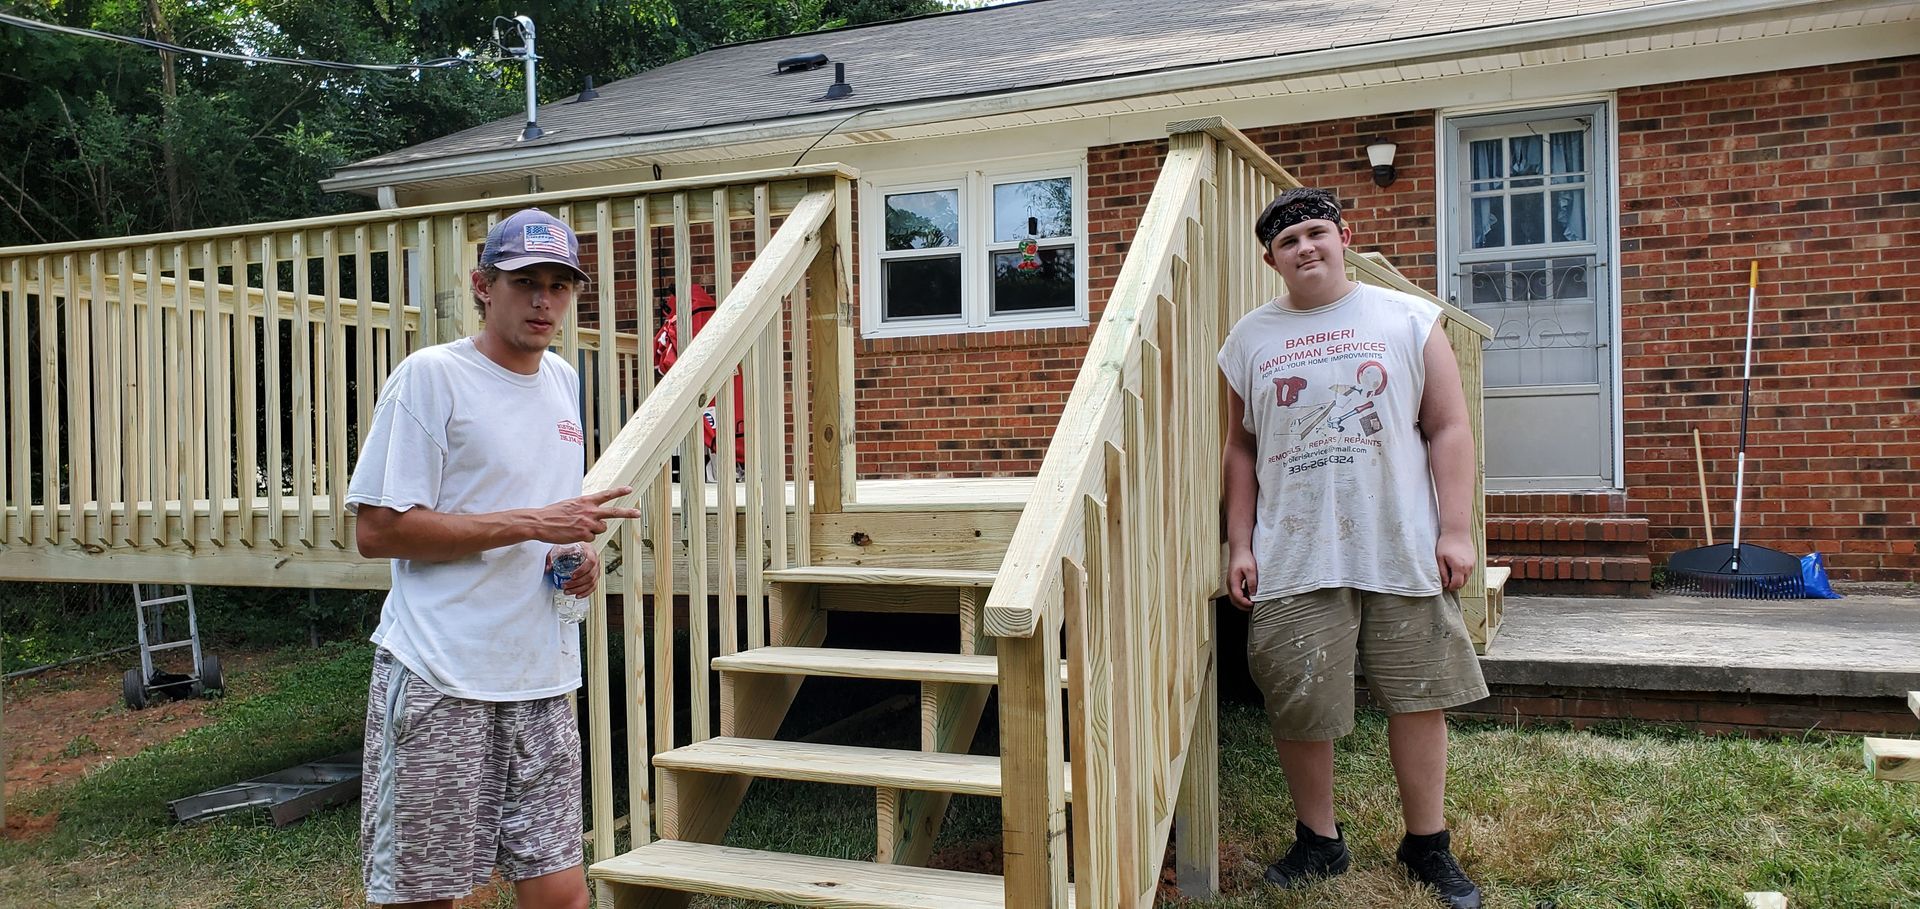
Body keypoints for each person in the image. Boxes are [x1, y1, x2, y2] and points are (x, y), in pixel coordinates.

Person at [346, 208, 642, 909]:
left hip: (539, 676)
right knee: (428, 897)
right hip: (442, 675)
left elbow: (542, 515)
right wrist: (533, 522)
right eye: (525, 282)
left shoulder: (564, 381)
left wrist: (570, 554)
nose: (545, 300)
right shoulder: (431, 378)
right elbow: (379, 531)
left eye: (560, 284)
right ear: (483, 285)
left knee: (562, 893)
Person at [1218, 188, 1488, 908]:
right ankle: (1319, 840)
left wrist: (1455, 528)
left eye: (1315, 233)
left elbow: (1449, 427)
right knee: (1299, 698)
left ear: (1343, 236)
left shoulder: (1406, 317)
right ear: (1270, 258)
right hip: (1294, 547)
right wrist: (1239, 541)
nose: (1305, 248)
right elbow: (1240, 448)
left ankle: (1427, 845)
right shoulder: (1249, 337)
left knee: (1418, 693)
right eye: (1287, 242)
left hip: (1400, 539)